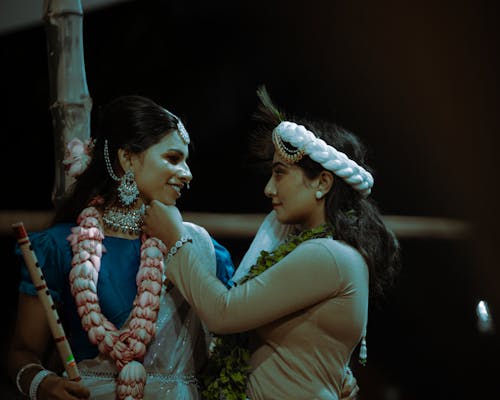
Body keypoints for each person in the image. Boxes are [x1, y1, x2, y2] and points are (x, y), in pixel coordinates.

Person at [142, 88, 401, 400]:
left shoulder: (328, 255)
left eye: (280, 174)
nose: (268, 188)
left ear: (322, 182)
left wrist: (174, 239)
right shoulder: (311, 249)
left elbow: (224, 313)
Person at [7, 95, 235, 400]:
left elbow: (228, 348)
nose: (187, 173)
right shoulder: (59, 247)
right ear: (127, 159)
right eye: (172, 158)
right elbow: (22, 352)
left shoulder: (202, 249)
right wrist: (42, 384)